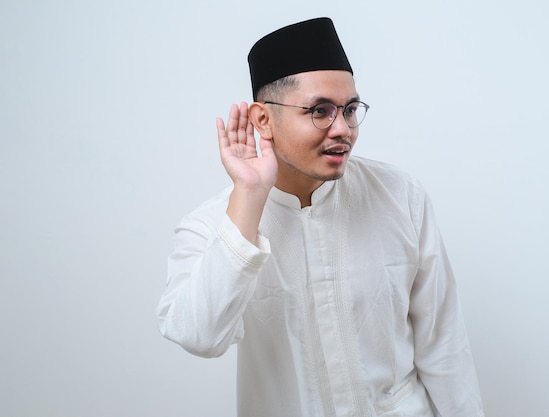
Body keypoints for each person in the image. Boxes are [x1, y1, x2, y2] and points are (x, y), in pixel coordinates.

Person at [156, 17, 485, 417]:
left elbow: (444, 343)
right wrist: (250, 194)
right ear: (263, 120)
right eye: (320, 111)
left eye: (349, 109)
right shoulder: (210, 226)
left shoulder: (401, 196)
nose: (342, 129)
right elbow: (200, 336)